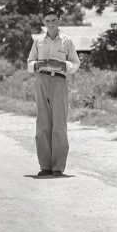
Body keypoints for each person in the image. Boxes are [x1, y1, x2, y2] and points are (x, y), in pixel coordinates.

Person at [27, 9, 80, 176]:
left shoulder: (67, 41)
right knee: (42, 123)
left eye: (54, 20)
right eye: (47, 20)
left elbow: (75, 63)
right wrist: (37, 64)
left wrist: (63, 65)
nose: (50, 23)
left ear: (59, 21)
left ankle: (58, 167)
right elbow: (29, 62)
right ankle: (45, 166)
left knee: (59, 124)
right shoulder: (38, 41)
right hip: (41, 80)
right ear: (43, 21)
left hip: (59, 81)